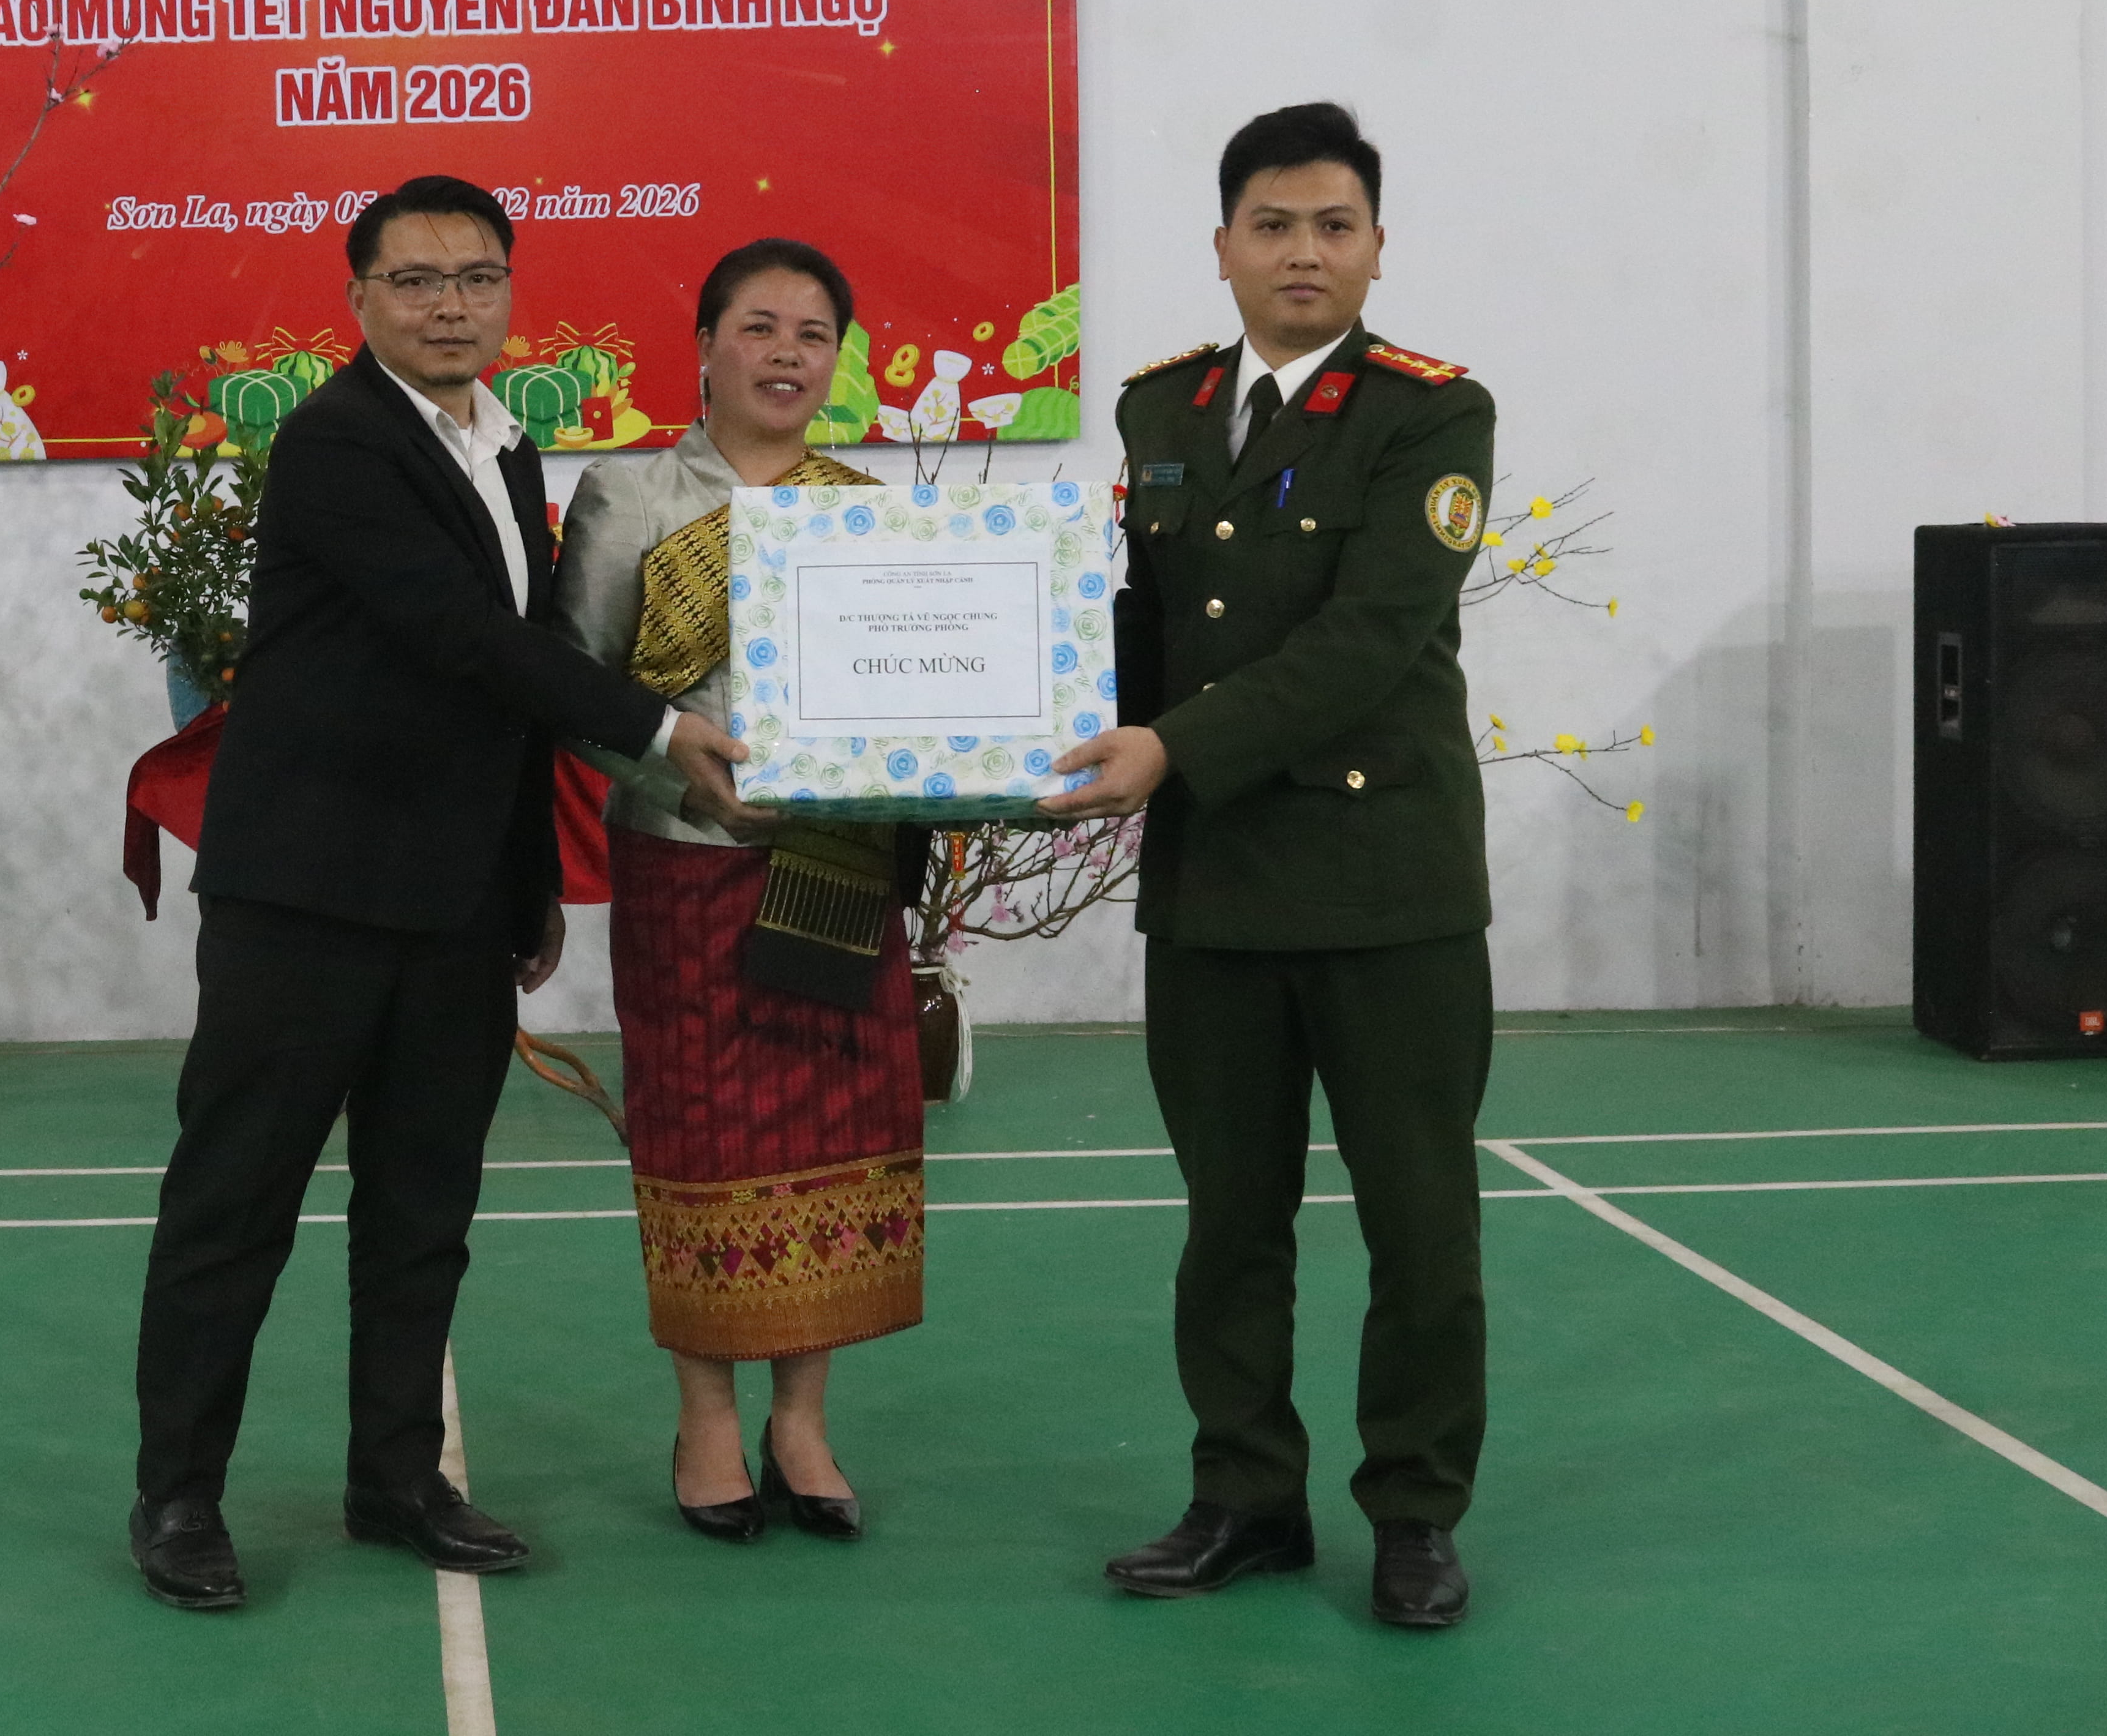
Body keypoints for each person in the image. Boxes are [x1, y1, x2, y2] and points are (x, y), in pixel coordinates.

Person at [128, 174, 756, 1612]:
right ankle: (179, 1494)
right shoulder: (337, 441)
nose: (450, 305)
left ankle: (397, 1476)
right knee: (235, 1204)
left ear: (510, 293)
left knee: (424, 1208)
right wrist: (664, 730)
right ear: (360, 300)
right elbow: (465, 637)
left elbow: (507, 700)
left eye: (477, 277)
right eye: (416, 280)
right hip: (309, 897)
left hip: (455, 902)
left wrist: (527, 884)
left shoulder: (506, 445)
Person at [1041, 101, 1497, 1629]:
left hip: (1385, 887)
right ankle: (1245, 1494)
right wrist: (1019, 716)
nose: (1305, 251)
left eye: (1334, 225)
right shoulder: (1161, 408)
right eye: (1275, 224)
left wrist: (1168, 748)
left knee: (1420, 1227)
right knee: (1229, 1221)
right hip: (1218, 886)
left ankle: (1416, 1511)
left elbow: (1370, 639)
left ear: (1376, 247)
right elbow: (1147, 625)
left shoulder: (1431, 414)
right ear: (1225, 246)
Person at [549, 239, 935, 1544]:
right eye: (759, 326)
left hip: (839, 868)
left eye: (813, 334)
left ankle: (802, 1422)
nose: (786, 353)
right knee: (703, 1137)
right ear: (705, 344)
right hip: (684, 864)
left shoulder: (868, 508)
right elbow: (576, 689)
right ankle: (707, 1419)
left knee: (833, 1132)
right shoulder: (630, 493)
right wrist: (683, 776)